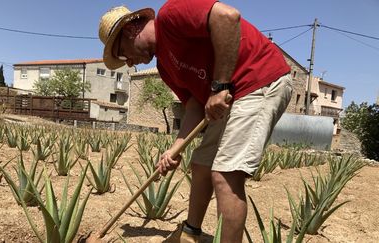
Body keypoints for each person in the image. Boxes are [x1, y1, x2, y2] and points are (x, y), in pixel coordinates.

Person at [98, 0, 292, 242]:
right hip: (230, 98)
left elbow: (228, 17)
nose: (128, 61)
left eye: (122, 52)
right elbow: (194, 106)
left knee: (225, 173)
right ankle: (191, 234)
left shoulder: (170, 15)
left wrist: (220, 85)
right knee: (201, 164)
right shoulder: (165, 66)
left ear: (129, 30)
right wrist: (174, 150)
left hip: (258, 80)